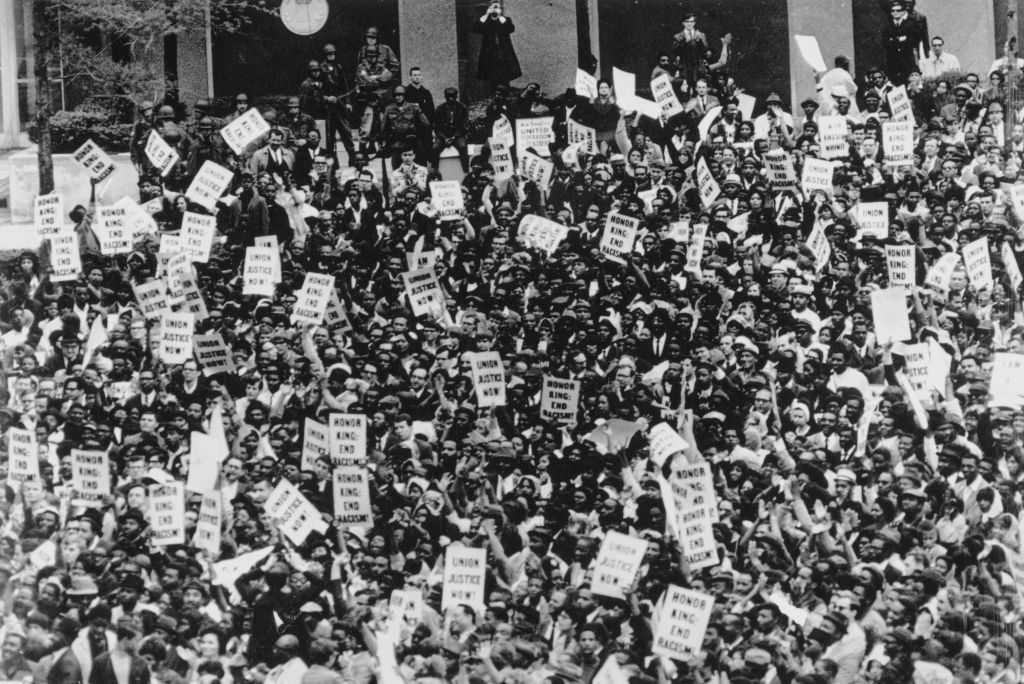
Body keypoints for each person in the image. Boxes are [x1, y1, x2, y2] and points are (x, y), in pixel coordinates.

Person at [472, 2, 522, 89]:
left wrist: (499, 15)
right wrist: (487, 13)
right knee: (492, 78)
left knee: (505, 76)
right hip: (490, 54)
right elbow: (476, 28)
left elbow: (510, 28)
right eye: (493, 8)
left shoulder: (505, 20)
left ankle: (505, 94)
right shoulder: (486, 21)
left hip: (504, 54)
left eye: (497, 8)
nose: (495, 9)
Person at [431, 87, 469, 172]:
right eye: (448, 96)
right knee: (435, 148)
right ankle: (435, 171)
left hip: (457, 135)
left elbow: (464, 125)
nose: (451, 98)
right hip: (443, 136)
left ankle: (466, 171)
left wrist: (454, 137)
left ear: (456, 96)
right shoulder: (439, 109)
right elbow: (436, 127)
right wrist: (444, 138)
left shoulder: (462, 108)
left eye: (453, 96)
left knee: (463, 146)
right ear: (445, 97)